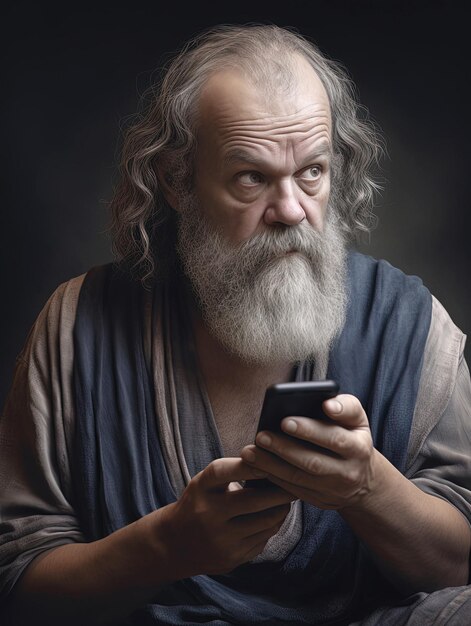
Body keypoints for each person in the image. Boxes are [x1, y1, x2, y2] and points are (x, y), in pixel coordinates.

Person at [1, 23, 470, 626]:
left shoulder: (410, 323)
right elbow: (17, 589)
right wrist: (164, 547)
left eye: (312, 172)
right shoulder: (77, 327)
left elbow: (458, 567)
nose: (292, 210)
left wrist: (367, 487)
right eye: (252, 177)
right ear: (177, 180)